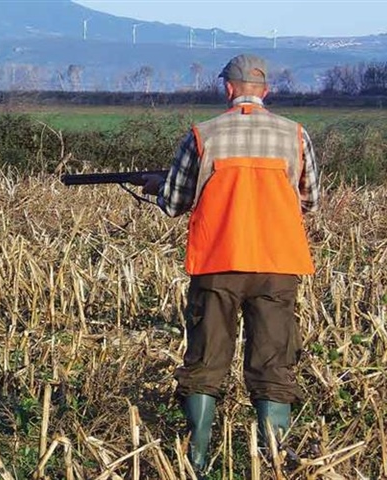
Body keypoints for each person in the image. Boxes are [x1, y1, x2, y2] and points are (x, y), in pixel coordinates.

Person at [142, 54, 320, 475]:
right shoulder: (295, 135)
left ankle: (198, 461)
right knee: (273, 363)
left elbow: (173, 202)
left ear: (227, 89)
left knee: (205, 362)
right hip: (277, 265)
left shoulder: (203, 135)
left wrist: (156, 187)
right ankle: (273, 462)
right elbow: (310, 200)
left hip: (217, 263)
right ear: (265, 91)